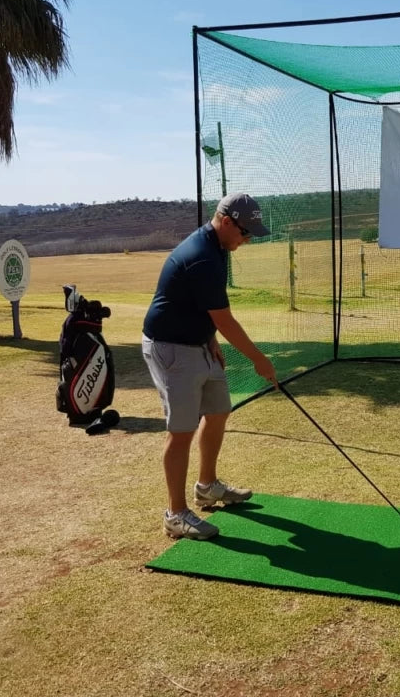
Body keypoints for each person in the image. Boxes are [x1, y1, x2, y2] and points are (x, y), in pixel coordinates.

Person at [142, 193, 278, 540]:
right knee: (182, 430)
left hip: (199, 343)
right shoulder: (202, 255)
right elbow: (225, 319)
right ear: (227, 221)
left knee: (218, 411)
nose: (246, 241)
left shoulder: (219, 245)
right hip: (172, 348)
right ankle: (175, 514)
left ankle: (207, 487)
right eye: (245, 233)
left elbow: (203, 308)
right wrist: (258, 359)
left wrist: (210, 339)